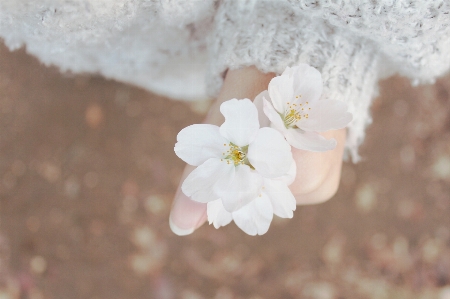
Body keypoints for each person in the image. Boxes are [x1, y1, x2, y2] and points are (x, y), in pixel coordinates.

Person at [1, 1, 449, 235]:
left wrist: (310, 29)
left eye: (237, 155)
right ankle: (96, 60)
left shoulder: (247, 129)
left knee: (181, 73)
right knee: (120, 58)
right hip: (68, 29)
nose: (238, 156)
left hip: (207, 30)